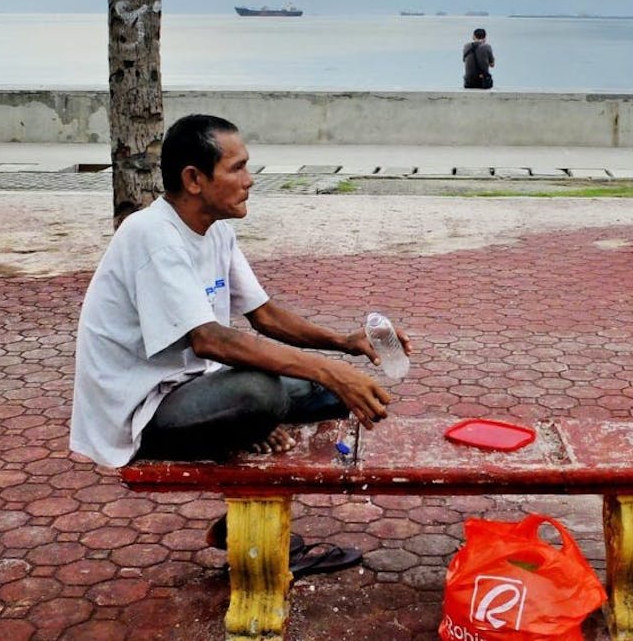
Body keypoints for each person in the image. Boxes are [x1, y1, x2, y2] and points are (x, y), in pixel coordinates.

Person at [70, 113, 411, 568]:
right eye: (237, 168)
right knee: (260, 392)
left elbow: (265, 315)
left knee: (322, 392)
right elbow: (210, 339)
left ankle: (240, 520)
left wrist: (344, 346)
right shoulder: (151, 236)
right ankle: (248, 440)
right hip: (141, 414)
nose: (250, 181)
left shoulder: (216, 231)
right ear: (194, 179)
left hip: (195, 390)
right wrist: (329, 370)